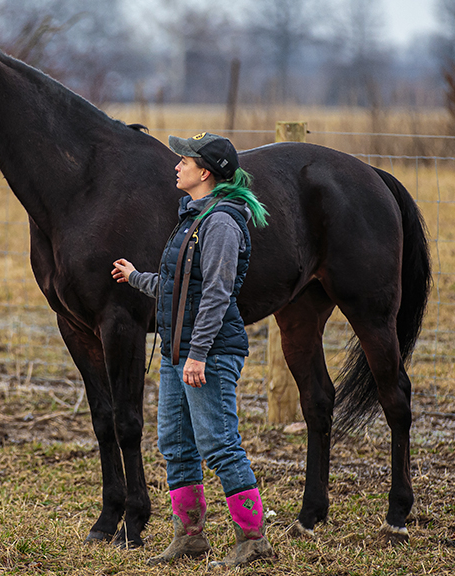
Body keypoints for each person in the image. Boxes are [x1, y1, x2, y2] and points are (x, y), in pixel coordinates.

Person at [112, 132, 275, 568]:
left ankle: (253, 539)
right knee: (176, 444)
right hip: (176, 351)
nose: (176, 165)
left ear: (205, 172)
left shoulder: (221, 223)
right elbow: (179, 286)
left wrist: (199, 354)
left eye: (184, 160)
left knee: (219, 443)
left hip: (209, 351)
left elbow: (217, 295)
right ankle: (190, 536)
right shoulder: (192, 217)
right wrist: (136, 278)